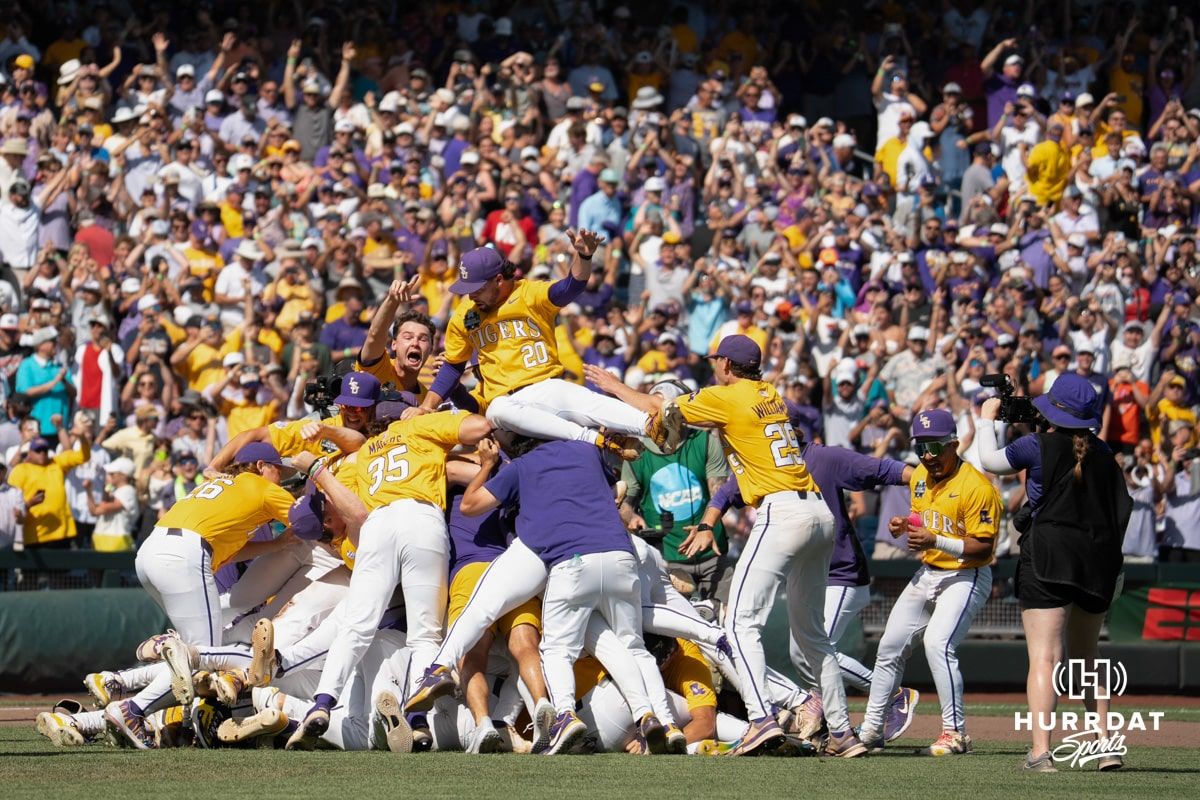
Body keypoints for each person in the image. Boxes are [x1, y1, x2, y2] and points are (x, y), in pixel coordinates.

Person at [586, 335, 865, 757]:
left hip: (782, 511)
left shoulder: (728, 396)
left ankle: (761, 720)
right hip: (817, 511)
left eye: (716, 360)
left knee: (737, 625)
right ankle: (842, 732)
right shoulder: (770, 394)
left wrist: (617, 387)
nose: (713, 366)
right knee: (813, 635)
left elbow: (660, 409)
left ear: (728, 366)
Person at [976, 374, 1132, 772]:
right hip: (1097, 561)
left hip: (1048, 556)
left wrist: (986, 418)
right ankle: (1106, 745)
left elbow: (989, 461)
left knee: (1045, 658)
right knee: (1089, 660)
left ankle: (1041, 752)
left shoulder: (1037, 444)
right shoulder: (1105, 454)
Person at [406, 232, 669, 459]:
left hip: (546, 386)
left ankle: (652, 425)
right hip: (509, 404)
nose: (470, 294)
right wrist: (427, 406)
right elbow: (452, 366)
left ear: (498, 279)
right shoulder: (465, 314)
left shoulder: (529, 293)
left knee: (587, 401)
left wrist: (584, 257)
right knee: (497, 409)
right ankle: (592, 439)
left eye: (476, 287)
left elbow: (570, 287)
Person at [860, 408, 1000, 757]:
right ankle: (872, 730)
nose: (927, 455)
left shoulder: (977, 486)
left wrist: (934, 540)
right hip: (930, 572)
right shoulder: (921, 474)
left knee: (938, 643)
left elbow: (984, 546)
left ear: (954, 444)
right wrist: (903, 524)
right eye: (921, 447)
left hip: (966, 574)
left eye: (935, 447)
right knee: (889, 647)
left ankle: (955, 734)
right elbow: (925, 517)